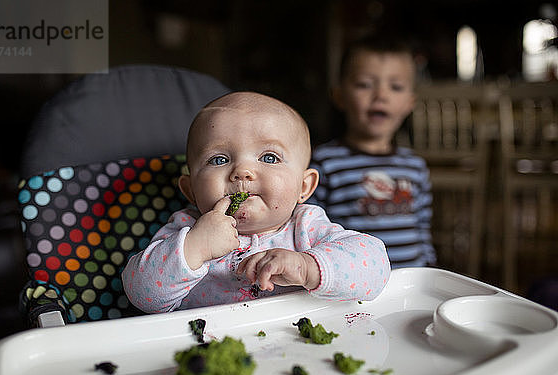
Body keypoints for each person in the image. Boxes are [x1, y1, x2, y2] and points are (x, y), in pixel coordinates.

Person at [122, 91, 391, 313]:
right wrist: (196, 246)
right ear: (191, 190)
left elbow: (376, 267)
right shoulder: (186, 229)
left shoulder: (306, 227)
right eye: (219, 159)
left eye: (270, 158)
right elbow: (142, 294)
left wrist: (307, 266)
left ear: (304, 186)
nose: (243, 171)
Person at [310, 33, 436, 269]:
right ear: (339, 95)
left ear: (410, 102)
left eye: (396, 87)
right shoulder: (326, 163)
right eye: (364, 85)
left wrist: (428, 265)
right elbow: (309, 227)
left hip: (409, 281)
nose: (381, 95)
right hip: (352, 282)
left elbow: (422, 227)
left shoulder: (415, 166)